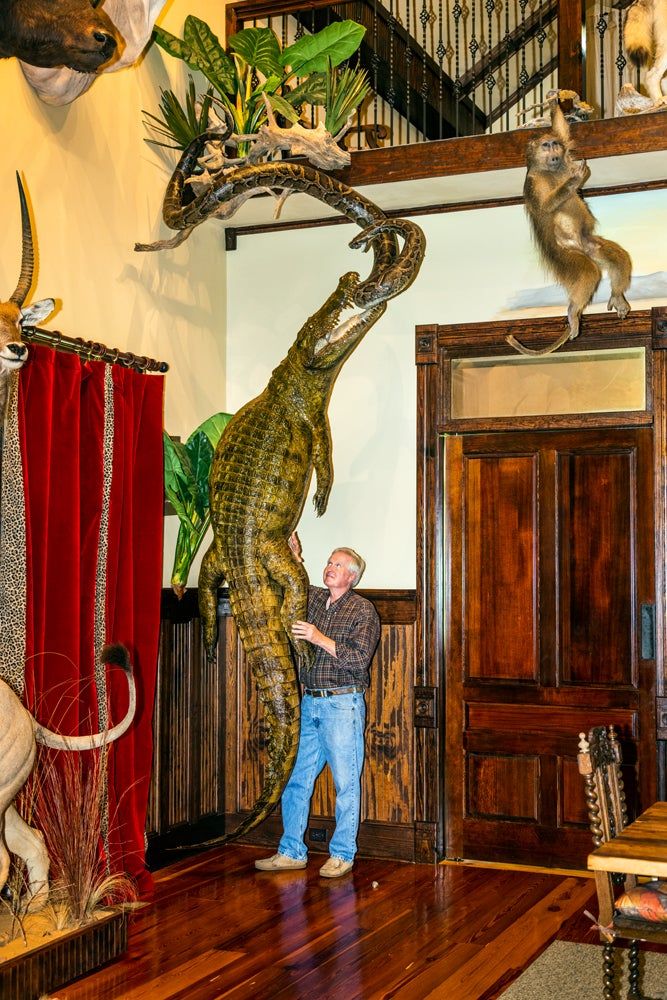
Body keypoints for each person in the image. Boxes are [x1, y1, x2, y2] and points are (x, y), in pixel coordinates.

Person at [255, 536, 380, 878]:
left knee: (346, 785)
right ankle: (291, 851)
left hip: (343, 704)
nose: (330, 567)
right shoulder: (315, 599)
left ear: (352, 577)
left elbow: (357, 659)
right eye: (329, 561)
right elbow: (294, 584)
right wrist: (294, 557)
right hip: (310, 702)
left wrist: (317, 637)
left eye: (338, 565)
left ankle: (342, 854)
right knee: (296, 781)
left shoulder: (362, 610)